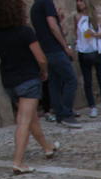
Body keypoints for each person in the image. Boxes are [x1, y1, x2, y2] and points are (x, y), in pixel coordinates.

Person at [0, 0, 59, 174]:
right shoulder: (25, 32)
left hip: (9, 82)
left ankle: (47, 147)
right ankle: (18, 162)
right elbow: (40, 58)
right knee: (24, 121)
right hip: (28, 80)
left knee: (31, 118)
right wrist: (44, 71)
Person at [31, 0, 81, 128]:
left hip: (46, 50)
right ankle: (66, 114)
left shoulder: (35, 6)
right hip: (55, 49)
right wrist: (65, 47)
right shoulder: (46, 3)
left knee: (54, 83)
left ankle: (59, 114)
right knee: (71, 80)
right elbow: (52, 26)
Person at [74, 0, 101, 118]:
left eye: (81, 1)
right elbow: (77, 33)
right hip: (84, 51)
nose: (79, 3)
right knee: (87, 81)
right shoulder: (77, 17)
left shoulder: (97, 16)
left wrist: (94, 34)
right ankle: (92, 106)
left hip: (98, 51)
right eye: (77, 1)